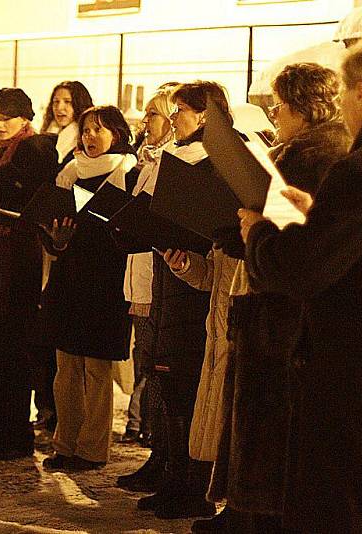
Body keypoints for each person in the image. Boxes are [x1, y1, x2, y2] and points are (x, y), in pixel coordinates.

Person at [238, 36, 362, 533]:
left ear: (360, 91)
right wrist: (319, 216)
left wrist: (261, 233)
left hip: (360, 367)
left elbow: (302, 271)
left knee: (346, 504)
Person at [190, 63, 351, 534]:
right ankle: (244, 512)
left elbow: (296, 238)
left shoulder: (314, 157)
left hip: (282, 315)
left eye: (280, 104)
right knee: (261, 427)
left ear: (304, 107)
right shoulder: (308, 151)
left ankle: (251, 515)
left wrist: (251, 233)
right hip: (276, 303)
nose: (274, 112)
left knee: (268, 431)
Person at [136, 81, 231, 520]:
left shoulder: (216, 165)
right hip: (174, 277)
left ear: (206, 116)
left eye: (182, 111)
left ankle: (192, 487)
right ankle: (173, 478)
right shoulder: (173, 157)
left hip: (200, 298)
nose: (175, 118)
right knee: (171, 388)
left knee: (190, 391)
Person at [39, 105, 139, 471]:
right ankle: (65, 444)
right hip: (69, 280)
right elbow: (50, 229)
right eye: (85, 131)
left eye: (98, 130)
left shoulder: (128, 173)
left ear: (117, 133)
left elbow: (134, 232)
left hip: (107, 283)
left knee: (96, 371)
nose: (90, 137)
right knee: (65, 368)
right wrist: (57, 240)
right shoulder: (69, 173)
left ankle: (93, 449)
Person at [0, 88, 59, 461]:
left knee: (11, 345)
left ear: (25, 118)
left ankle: (15, 434)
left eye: (7, 117)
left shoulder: (34, 151)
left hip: (17, 256)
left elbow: (34, 208)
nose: (0, 124)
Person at [31, 80, 94, 433]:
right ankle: (46, 406)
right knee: (41, 330)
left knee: (57, 334)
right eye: (56, 101)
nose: (60, 107)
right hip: (43, 241)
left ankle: (59, 411)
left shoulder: (77, 152)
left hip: (64, 243)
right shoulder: (46, 142)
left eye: (68, 101)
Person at [120, 86, 176, 447]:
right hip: (140, 273)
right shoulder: (148, 159)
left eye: (153, 114)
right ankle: (152, 441)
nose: (145, 121)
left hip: (163, 276)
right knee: (145, 357)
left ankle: (155, 438)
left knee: (157, 363)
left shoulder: (173, 163)